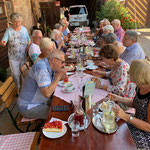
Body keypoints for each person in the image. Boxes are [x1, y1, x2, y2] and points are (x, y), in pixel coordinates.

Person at [108, 59, 150, 149]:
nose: (127, 73)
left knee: (115, 141)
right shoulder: (140, 86)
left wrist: (126, 116)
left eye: (130, 72)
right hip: (134, 122)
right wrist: (119, 98)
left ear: (137, 75)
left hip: (145, 135)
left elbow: (149, 127)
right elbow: (137, 104)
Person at [17, 50, 67, 119]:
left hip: (40, 100)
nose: (63, 65)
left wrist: (60, 76)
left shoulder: (47, 64)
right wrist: (58, 77)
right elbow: (47, 94)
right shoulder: (41, 68)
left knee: (65, 106)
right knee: (60, 114)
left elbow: (50, 82)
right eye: (62, 62)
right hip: (29, 106)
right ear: (54, 60)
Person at [0, 13, 30, 93]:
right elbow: (4, 40)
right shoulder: (8, 31)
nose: (17, 23)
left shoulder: (24, 29)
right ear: (12, 22)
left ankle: (23, 91)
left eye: (19, 21)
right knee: (15, 75)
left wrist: (28, 46)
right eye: (15, 21)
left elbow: (29, 40)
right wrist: (3, 42)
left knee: (24, 74)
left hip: (23, 56)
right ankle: (18, 89)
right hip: (13, 58)